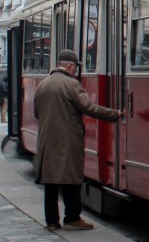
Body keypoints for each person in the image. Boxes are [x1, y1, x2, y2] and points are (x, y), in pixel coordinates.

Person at [34, 50, 121, 231]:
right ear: (70, 66)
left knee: (50, 182)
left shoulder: (43, 84)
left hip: (47, 140)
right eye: (75, 68)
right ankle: (72, 218)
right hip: (68, 140)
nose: (75, 72)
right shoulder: (72, 84)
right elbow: (88, 108)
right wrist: (115, 114)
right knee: (71, 179)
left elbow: (37, 113)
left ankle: (51, 221)